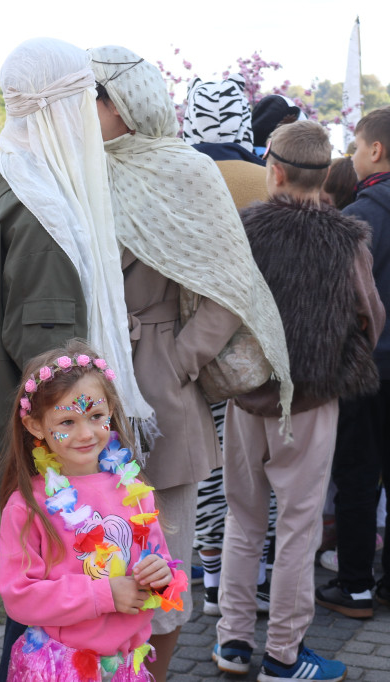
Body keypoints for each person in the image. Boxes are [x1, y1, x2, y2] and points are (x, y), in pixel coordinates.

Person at [0, 38, 153, 681]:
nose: (94, 111)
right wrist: (89, 433)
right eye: (84, 96)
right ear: (61, 105)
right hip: (42, 442)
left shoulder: (12, 172)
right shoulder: (45, 214)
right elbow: (51, 364)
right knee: (46, 607)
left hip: (29, 426)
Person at [89, 45, 292, 681]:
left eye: (95, 97)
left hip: (158, 386)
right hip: (78, 392)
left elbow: (230, 286)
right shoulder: (71, 170)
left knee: (165, 556)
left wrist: (177, 359)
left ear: (131, 103)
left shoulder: (184, 172)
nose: (82, 110)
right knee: (92, 555)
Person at [214, 121, 383, 681]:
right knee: (298, 528)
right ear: (327, 170)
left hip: (245, 396)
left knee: (243, 519)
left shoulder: (244, 231)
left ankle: (233, 642)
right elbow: (371, 315)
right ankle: (284, 656)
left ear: (275, 170)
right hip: (311, 399)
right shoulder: (347, 238)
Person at [0, 340, 187, 682]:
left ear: (111, 410)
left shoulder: (134, 491)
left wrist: (161, 577)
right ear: (35, 426)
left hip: (126, 665)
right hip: (60, 667)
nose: (85, 433)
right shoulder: (27, 506)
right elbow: (19, 597)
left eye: (96, 416)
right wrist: (105, 594)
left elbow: (161, 567)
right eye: (66, 422)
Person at [182, 74, 276, 619]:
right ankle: (258, 578)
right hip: (255, 350)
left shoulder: (175, 177)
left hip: (188, 344)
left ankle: (214, 579)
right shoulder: (265, 180)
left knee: (206, 465)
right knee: (255, 462)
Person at [316, 106, 390, 619]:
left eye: (357, 146)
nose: (354, 156)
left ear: (376, 150)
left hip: (366, 367)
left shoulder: (361, 216)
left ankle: (357, 586)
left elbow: (337, 299)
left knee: (359, 474)